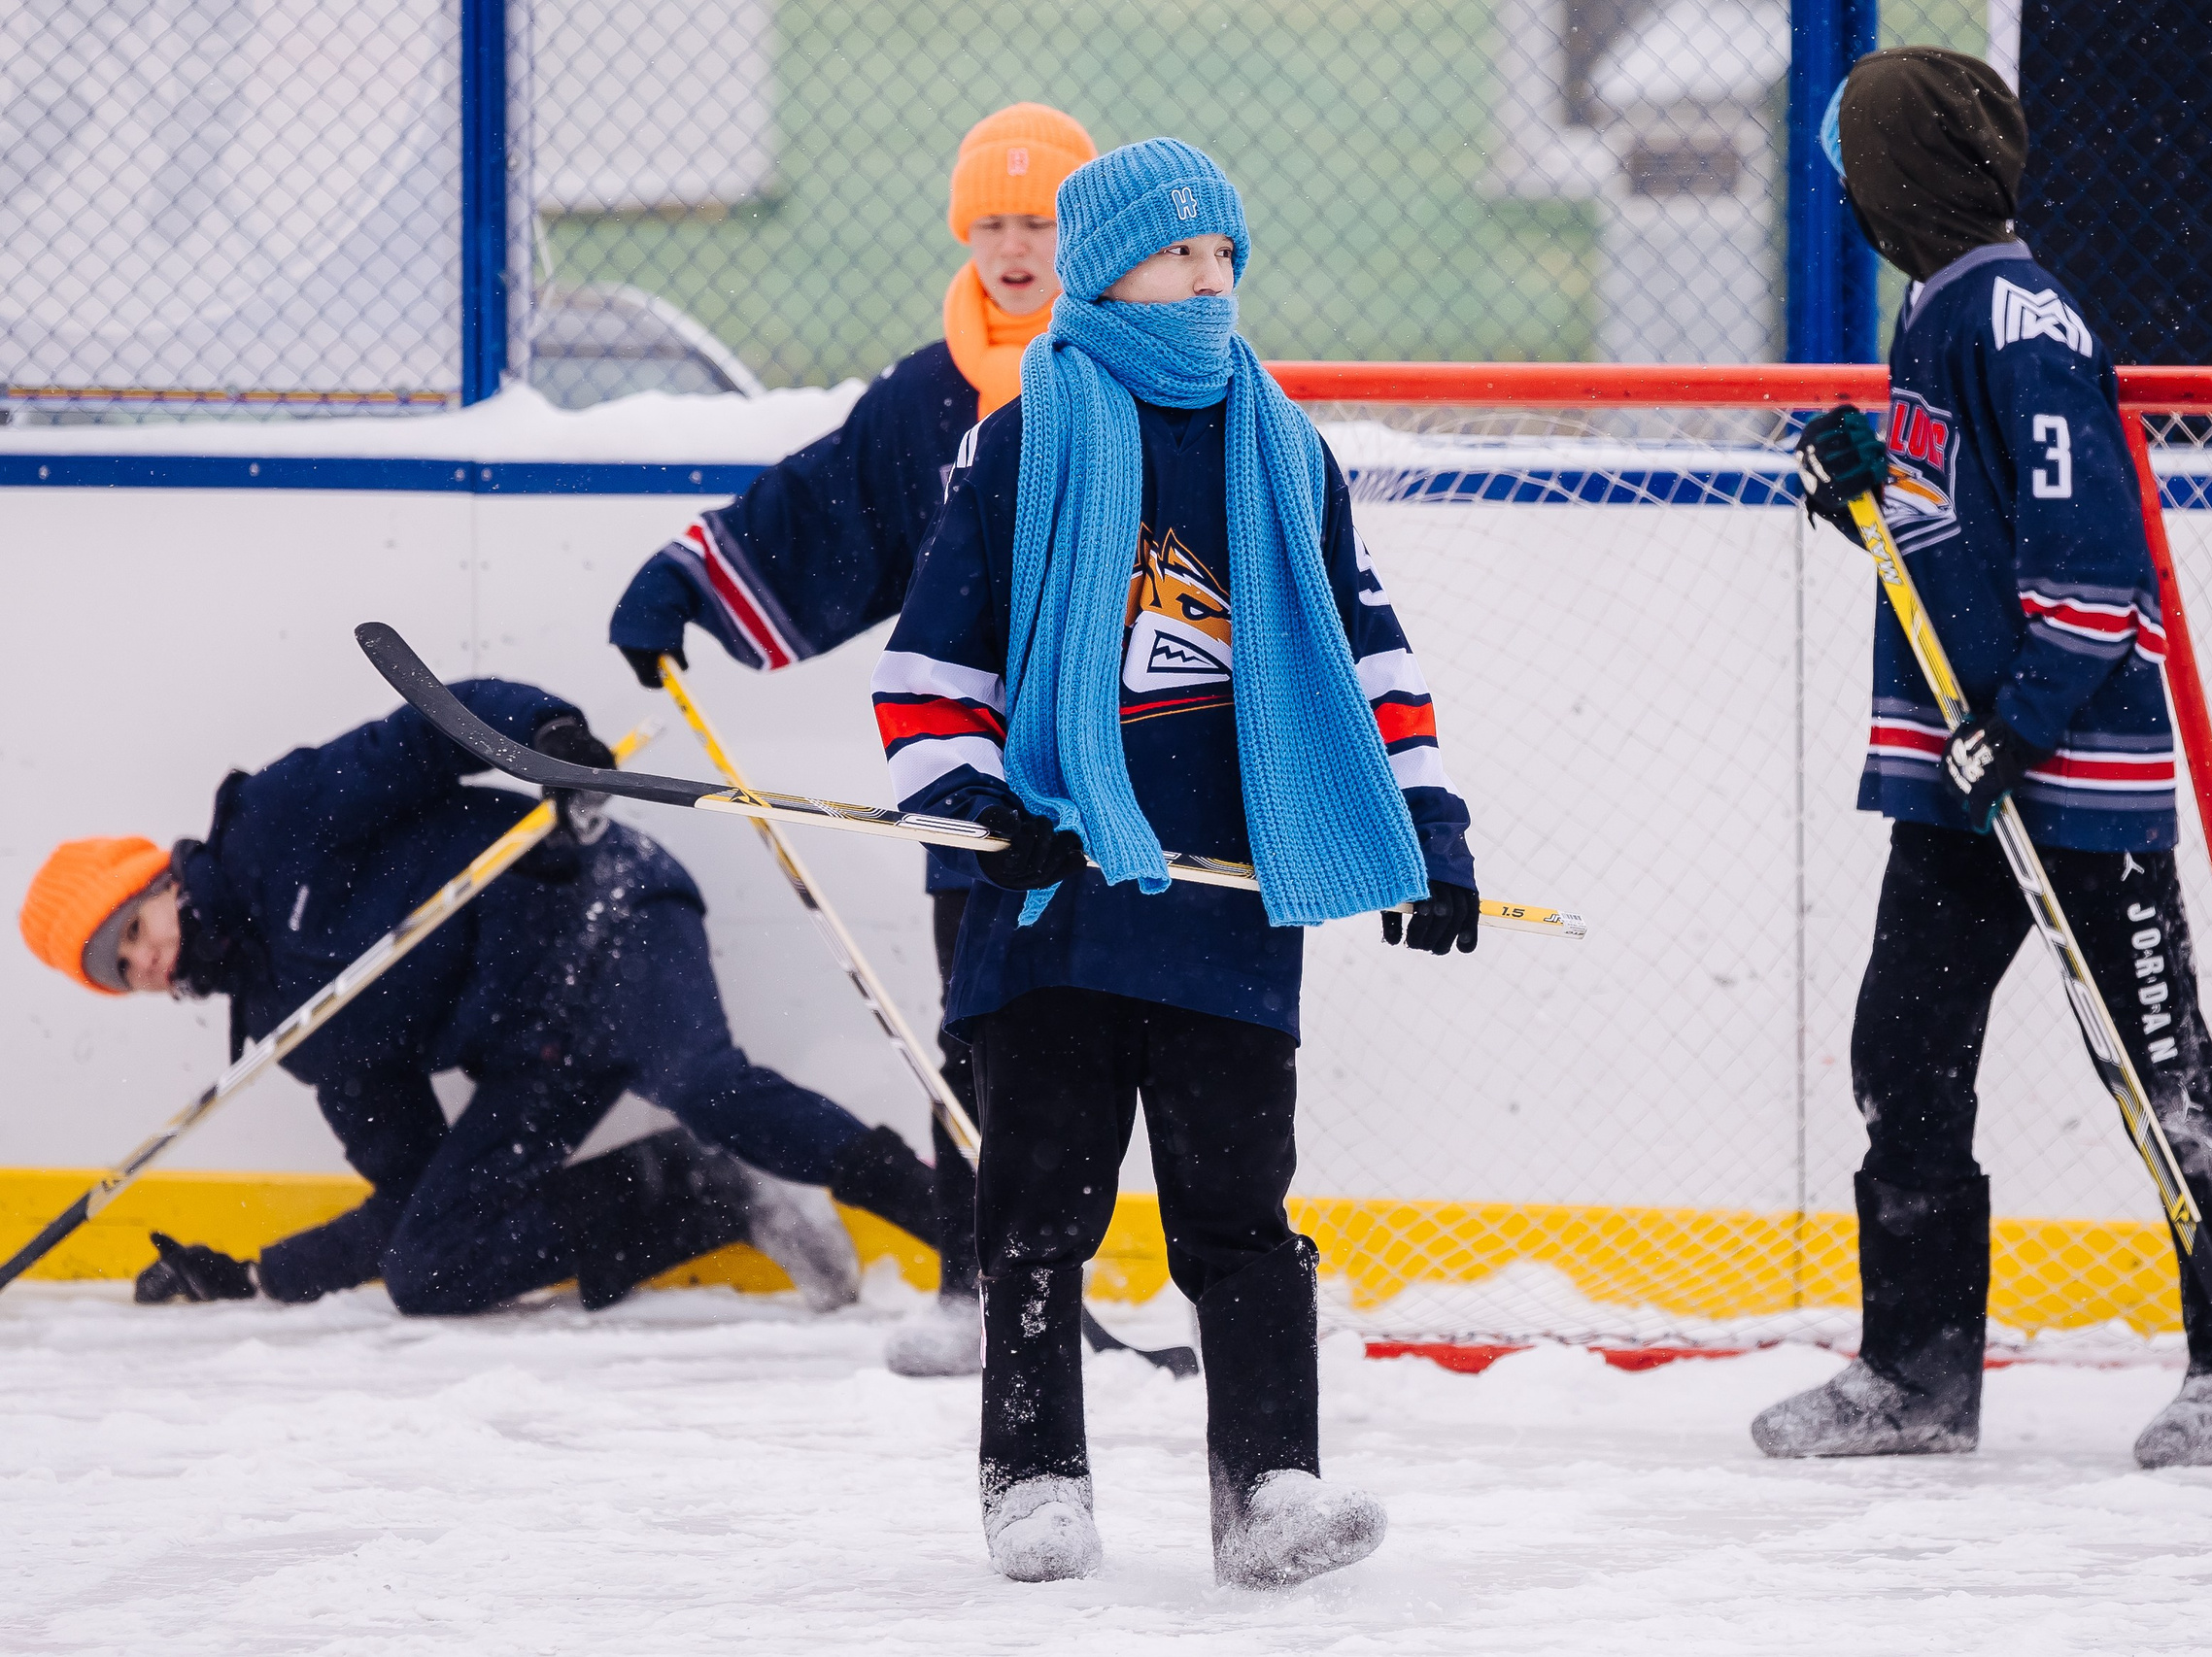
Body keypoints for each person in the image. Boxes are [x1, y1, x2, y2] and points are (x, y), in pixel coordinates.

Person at [875, 137, 1480, 1587]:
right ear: (1103, 269)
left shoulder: (1283, 447)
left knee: (1242, 1216)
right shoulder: (1027, 438)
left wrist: (1428, 830)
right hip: (1058, 909)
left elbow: (1367, 654)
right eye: (1177, 255)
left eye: (1225, 257)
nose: (1208, 281)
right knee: (1035, 1211)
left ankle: (1271, 1483)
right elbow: (927, 667)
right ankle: (1032, 1475)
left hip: (1229, 906)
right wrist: (974, 801)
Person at [1754, 47, 2212, 1470]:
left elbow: (2093, 561)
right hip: (1963, 781)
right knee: (1906, 1054)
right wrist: (1864, 492)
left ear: (1896, 184)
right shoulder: (1942, 318)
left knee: (2157, 1066)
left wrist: (2031, 712)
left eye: (1857, 167)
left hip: (2070, 780)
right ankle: (1916, 1379)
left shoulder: (2017, 318)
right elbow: (1965, 529)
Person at [606, 102, 1099, 1376]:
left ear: (1082, 230)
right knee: (980, 1031)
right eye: (989, 221)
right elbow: (824, 505)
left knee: (1119, 1037)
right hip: (977, 779)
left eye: (1037, 219)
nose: (1011, 245)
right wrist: (688, 577)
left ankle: (1098, 1276)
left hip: (1126, 773)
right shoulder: (931, 395)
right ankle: (975, 1285)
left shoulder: (1136, 375)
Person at [17, 681, 940, 1317]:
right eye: (121, 973)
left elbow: (423, 734)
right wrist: (265, 1272)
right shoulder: (285, 1030)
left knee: (700, 1078)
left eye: (133, 932)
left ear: (158, 883)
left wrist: (550, 742)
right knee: (432, 1265)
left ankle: (956, 1221)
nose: (145, 962)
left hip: (595, 907)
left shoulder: (276, 823)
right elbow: (415, 1198)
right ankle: (715, 1190)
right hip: (540, 1053)